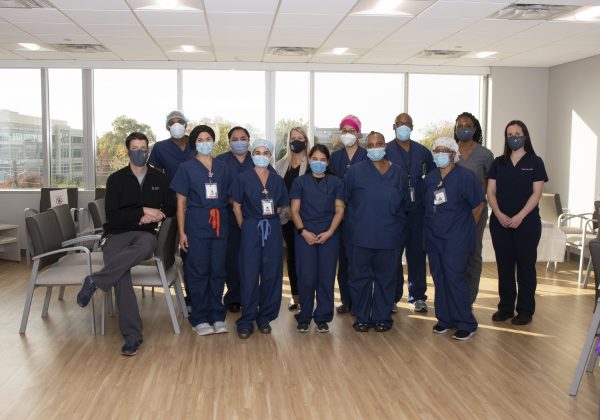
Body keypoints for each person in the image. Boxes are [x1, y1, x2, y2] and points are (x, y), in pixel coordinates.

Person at [76, 132, 175, 356]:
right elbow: (113, 216)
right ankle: (133, 336)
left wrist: (157, 215)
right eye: (135, 148)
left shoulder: (159, 178)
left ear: (148, 149)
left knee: (145, 246)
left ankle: (95, 280)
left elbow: (170, 207)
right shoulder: (116, 179)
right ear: (128, 151)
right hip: (116, 235)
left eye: (144, 148)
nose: (140, 152)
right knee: (121, 276)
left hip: (144, 235)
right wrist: (142, 211)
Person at [170, 125, 234, 336]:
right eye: (200, 139)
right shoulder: (186, 168)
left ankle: (217, 315)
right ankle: (199, 317)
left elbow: (232, 197)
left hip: (220, 222)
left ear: (214, 141)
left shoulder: (223, 167)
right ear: (194, 143)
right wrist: (182, 232)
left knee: (217, 270)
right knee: (198, 270)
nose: (205, 143)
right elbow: (181, 204)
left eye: (208, 139)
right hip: (196, 222)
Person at [344, 131, 407, 332]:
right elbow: (344, 202)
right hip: (360, 236)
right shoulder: (354, 172)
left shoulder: (398, 172)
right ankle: (362, 316)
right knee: (359, 279)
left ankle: (382, 317)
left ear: (385, 146)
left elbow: (405, 203)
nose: (375, 148)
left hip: (389, 237)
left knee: (386, 279)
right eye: (371, 145)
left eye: (379, 143)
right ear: (366, 148)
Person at [423, 137, 484, 341]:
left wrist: (465, 230)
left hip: (456, 239)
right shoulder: (430, 178)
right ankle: (445, 319)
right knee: (439, 278)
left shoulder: (465, 177)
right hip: (434, 238)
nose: (440, 154)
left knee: (455, 278)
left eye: (444, 150)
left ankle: (466, 322)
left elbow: (478, 205)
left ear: (453, 154)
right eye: (436, 150)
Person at [488, 120, 548, 326]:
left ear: (525, 135)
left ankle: (524, 310)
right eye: (509, 134)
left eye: (517, 133)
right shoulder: (498, 162)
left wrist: (520, 216)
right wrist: (498, 213)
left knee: (525, 267)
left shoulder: (535, 161)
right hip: (500, 223)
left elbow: (537, 193)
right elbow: (491, 192)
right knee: (504, 267)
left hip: (527, 223)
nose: (513, 137)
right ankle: (505, 307)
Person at [231, 139, 289, 339]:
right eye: (258, 152)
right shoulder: (243, 178)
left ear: (270, 156)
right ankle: (247, 319)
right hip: (251, 227)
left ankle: (265, 317)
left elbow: (281, 206)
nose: (262, 155)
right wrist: (243, 225)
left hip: (272, 227)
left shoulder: (276, 180)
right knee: (249, 273)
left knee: (272, 273)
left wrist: (269, 217)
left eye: (266, 152)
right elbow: (236, 205)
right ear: (252, 154)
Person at [290, 144, 345, 333]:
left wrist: (330, 232)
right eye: (315, 159)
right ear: (309, 160)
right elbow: (294, 211)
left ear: (328, 162)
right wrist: (303, 231)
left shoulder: (336, 182)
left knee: (326, 277)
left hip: (329, 235)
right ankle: (304, 316)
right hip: (305, 235)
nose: (318, 163)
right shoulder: (300, 182)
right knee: (306, 277)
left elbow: (339, 210)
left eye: (322, 160)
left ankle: (322, 317)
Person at [385, 112, 434, 313]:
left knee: (416, 255)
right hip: (394, 212)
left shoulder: (423, 152)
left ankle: (417, 296)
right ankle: (393, 297)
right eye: (400, 123)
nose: (403, 127)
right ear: (393, 126)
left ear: (412, 127)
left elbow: (431, 179)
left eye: (407, 124)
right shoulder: (385, 150)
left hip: (417, 212)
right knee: (393, 256)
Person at [148, 110, 194, 307]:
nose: (177, 125)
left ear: (186, 124)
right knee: (173, 248)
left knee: (191, 251)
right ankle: (181, 291)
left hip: (195, 204)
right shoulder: (160, 148)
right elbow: (155, 175)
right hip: (171, 203)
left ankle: (194, 294)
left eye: (180, 122)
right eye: (172, 122)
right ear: (167, 127)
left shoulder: (196, 143)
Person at [454, 112, 494, 305]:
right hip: (452, 212)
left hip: (476, 211)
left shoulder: (485, 155)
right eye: (460, 125)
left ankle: (468, 300)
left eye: (467, 125)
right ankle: (453, 296)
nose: (463, 128)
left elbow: (488, 184)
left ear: (475, 128)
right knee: (453, 254)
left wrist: (478, 207)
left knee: (472, 253)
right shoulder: (450, 152)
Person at [329, 114, 367, 314]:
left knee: (359, 263)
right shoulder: (335, 157)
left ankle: (360, 302)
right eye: (343, 131)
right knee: (343, 263)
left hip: (361, 217)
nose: (347, 134)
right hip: (339, 217)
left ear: (358, 134)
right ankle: (346, 300)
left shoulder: (367, 156)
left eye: (351, 131)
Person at [215, 126, 254, 313]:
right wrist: (233, 199)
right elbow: (214, 188)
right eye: (235, 139)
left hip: (253, 218)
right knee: (231, 260)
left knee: (251, 260)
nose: (239, 142)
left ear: (249, 140)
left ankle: (251, 297)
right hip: (228, 218)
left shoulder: (258, 159)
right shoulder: (221, 161)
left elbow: (270, 185)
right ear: (229, 142)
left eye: (243, 138)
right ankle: (233, 297)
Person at [274, 127, 310, 311]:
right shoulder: (280, 165)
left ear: (305, 140)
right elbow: (275, 190)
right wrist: (285, 210)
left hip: (306, 219)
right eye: (292, 138)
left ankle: (307, 296)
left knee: (306, 259)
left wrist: (297, 210)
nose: (296, 141)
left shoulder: (312, 163)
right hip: (285, 220)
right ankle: (295, 296)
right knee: (292, 258)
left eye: (300, 137)